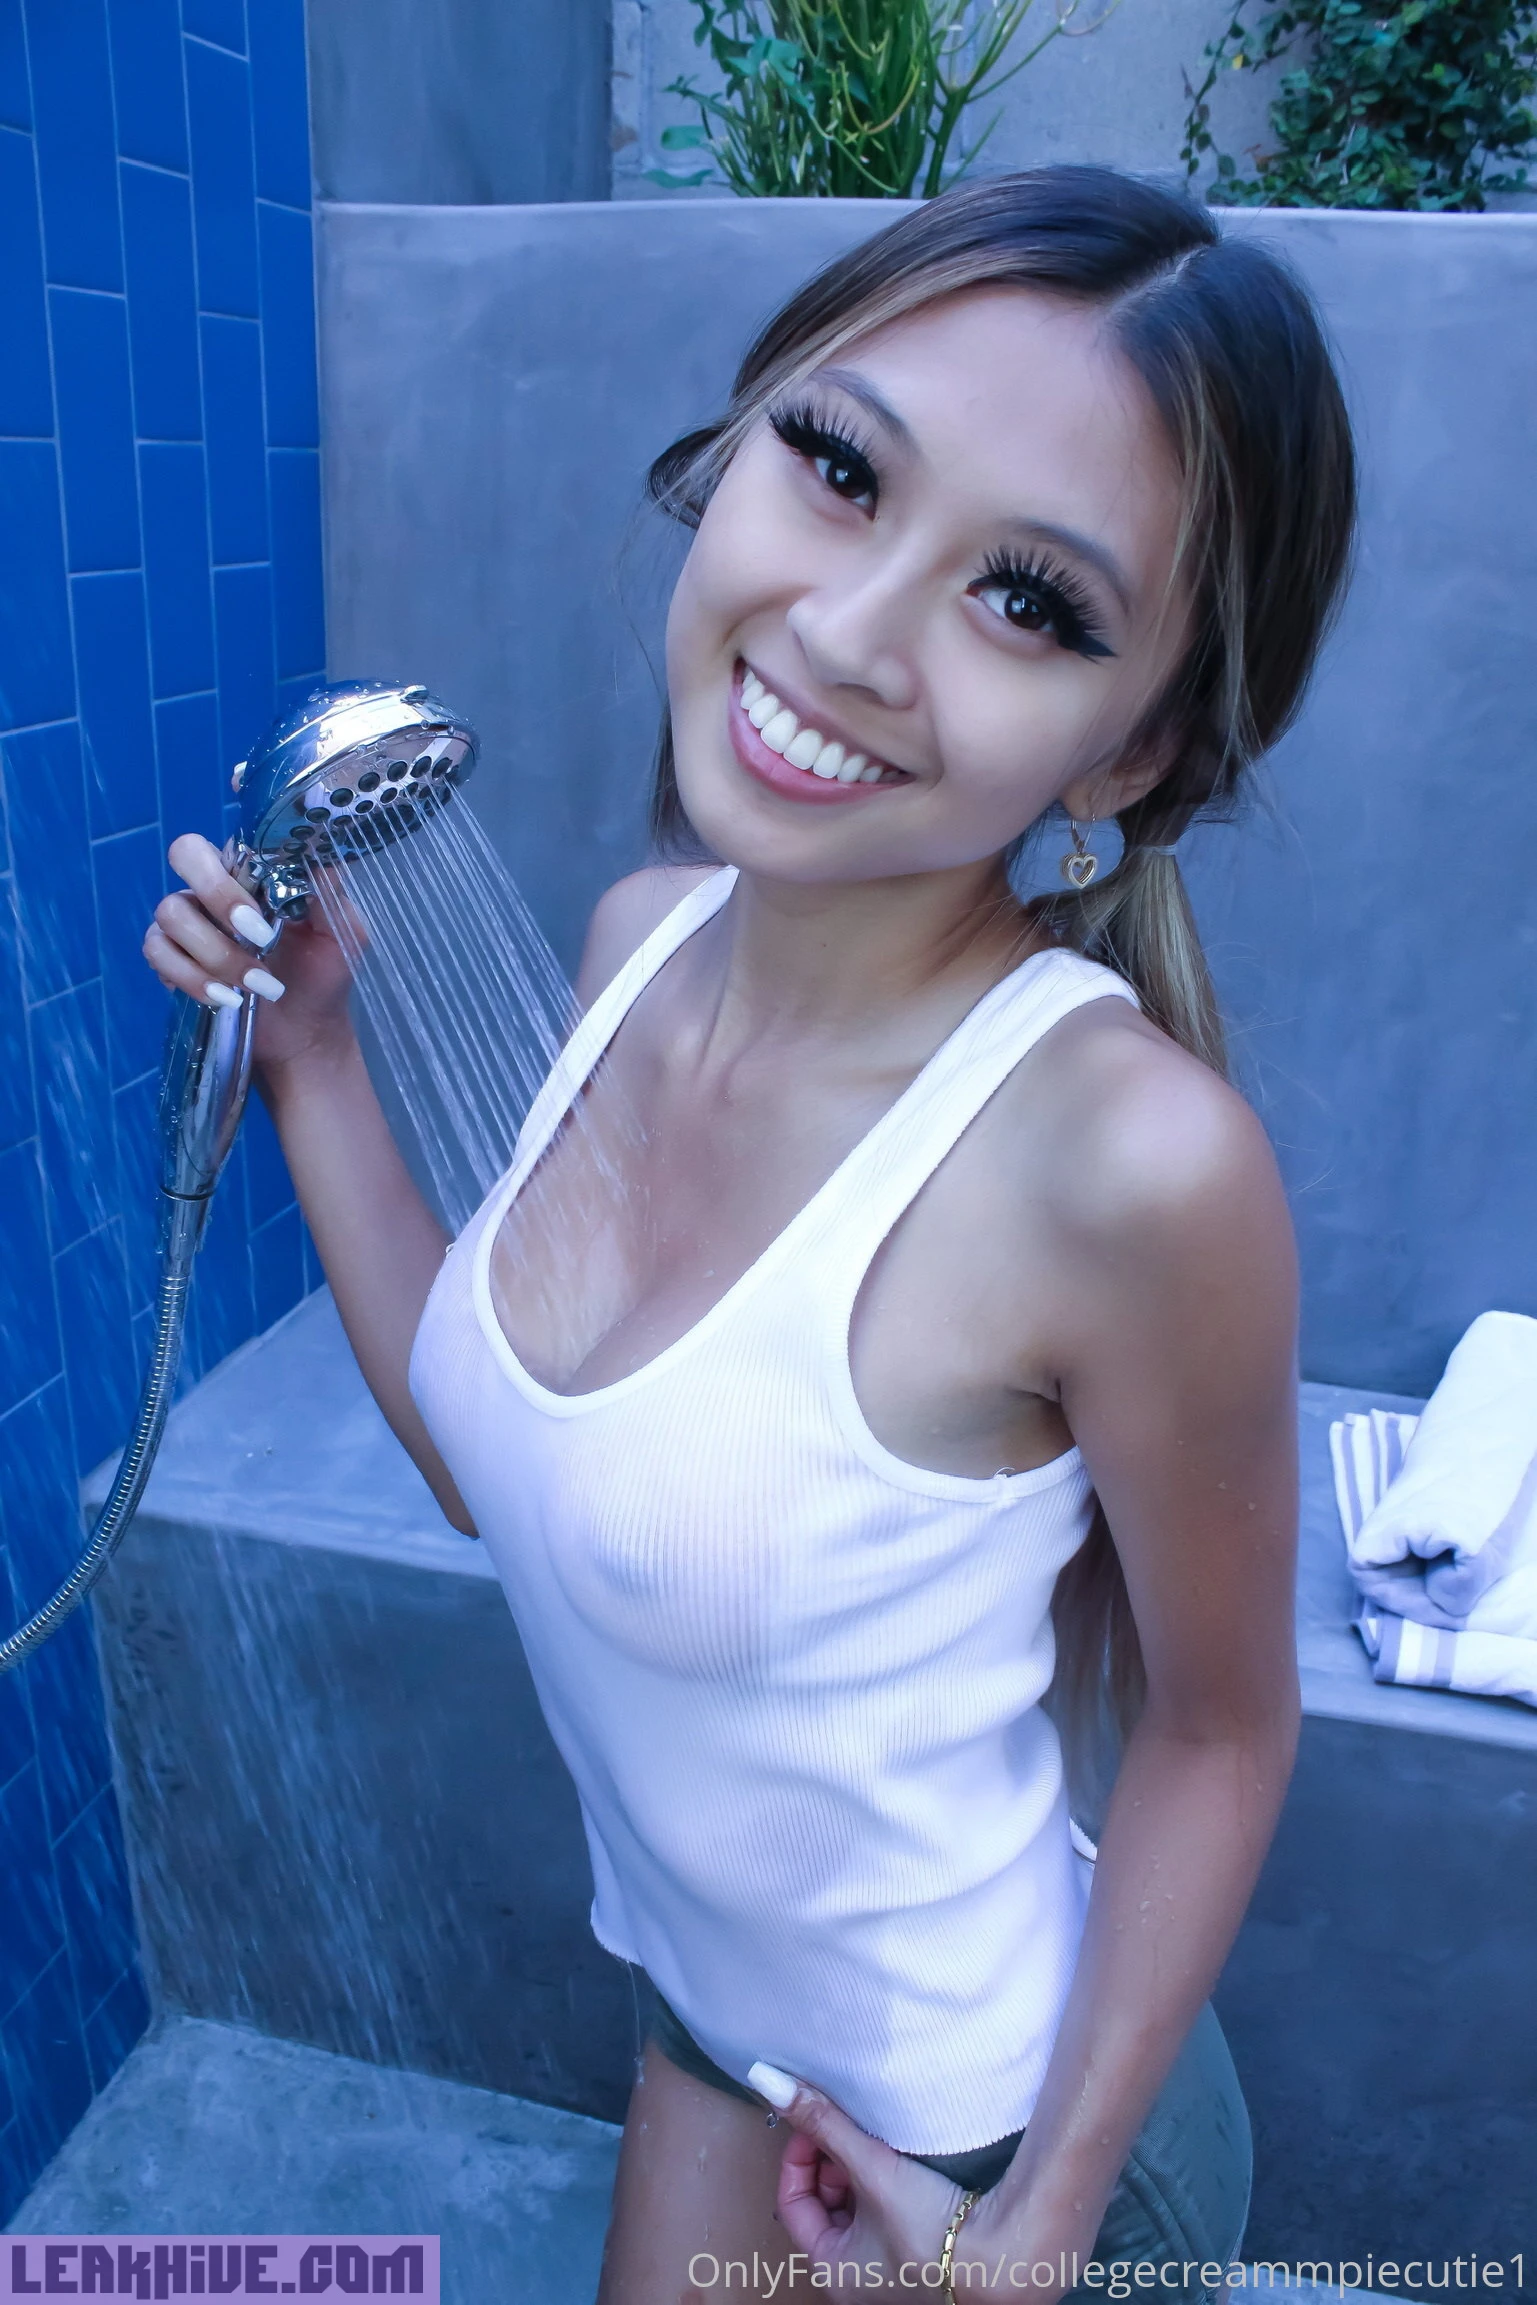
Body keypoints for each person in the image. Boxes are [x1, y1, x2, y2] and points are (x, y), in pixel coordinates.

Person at [143, 167, 1355, 2304]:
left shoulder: (1128, 1168)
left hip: (981, 2143)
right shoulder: (637, 940)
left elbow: (1220, 1727)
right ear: (741, 441)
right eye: (840, 467)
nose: (850, 633)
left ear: (1137, 747)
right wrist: (315, 1062)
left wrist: (1037, 2232)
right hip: (714, 2022)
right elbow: (521, 1468)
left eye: (1027, 603)